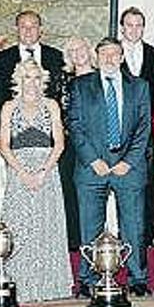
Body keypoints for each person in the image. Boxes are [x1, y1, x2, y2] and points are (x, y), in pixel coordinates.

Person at [69, 37, 152, 298]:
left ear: (122, 57)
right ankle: (87, 277)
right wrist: (94, 159)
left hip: (129, 167)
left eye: (115, 54)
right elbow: (75, 125)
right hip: (92, 167)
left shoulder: (139, 87)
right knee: (90, 226)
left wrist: (128, 161)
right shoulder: (81, 86)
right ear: (96, 57)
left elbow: (144, 127)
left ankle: (138, 277)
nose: (109, 59)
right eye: (104, 54)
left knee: (133, 226)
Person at [0, 59, 72, 302]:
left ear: (43, 81)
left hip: (47, 172)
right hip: (18, 173)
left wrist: (42, 171)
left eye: (36, 77)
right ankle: (21, 286)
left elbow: (59, 144)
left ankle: (49, 286)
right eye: (27, 77)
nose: (32, 82)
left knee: (46, 228)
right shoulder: (8, 107)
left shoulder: (51, 105)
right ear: (19, 80)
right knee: (20, 229)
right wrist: (23, 172)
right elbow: (5, 145)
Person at [119, 6, 154, 248]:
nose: (134, 29)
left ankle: (148, 237)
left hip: (149, 133)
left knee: (149, 186)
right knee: (121, 184)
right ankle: (125, 236)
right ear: (122, 27)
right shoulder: (112, 54)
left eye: (139, 25)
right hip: (120, 131)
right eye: (130, 25)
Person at [0, 10, 65, 120]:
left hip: (50, 122)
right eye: (23, 26)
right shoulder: (2, 59)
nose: (28, 31)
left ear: (40, 30)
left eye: (33, 26)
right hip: (13, 123)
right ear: (16, 30)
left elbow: (61, 93)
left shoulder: (56, 56)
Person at [58, 37, 95, 252]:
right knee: (70, 192)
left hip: (96, 146)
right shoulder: (63, 80)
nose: (77, 53)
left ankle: (94, 241)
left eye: (81, 48)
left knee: (93, 194)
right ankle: (73, 241)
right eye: (71, 50)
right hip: (69, 145)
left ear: (89, 50)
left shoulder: (103, 78)